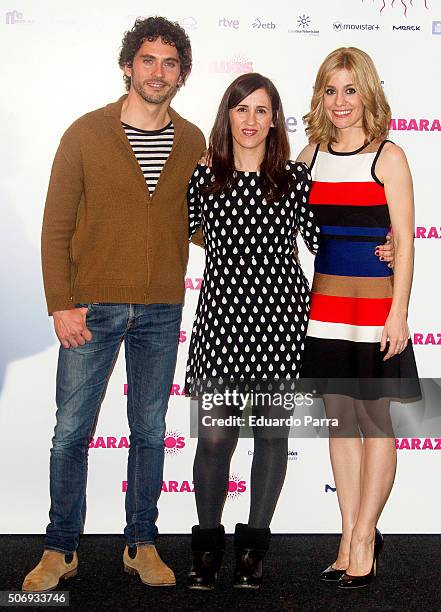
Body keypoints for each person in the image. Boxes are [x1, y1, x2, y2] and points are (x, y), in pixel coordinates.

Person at [22, 17, 205, 592]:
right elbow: (55, 228)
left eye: (170, 63)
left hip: (160, 308)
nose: (158, 72)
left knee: (149, 430)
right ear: (129, 65)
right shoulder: (85, 133)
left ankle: (140, 542)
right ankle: (60, 549)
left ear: (181, 74)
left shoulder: (195, 140)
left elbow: (204, 222)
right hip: (91, 308)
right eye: (148, 60)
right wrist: (61, 303)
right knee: (71, 433)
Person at [184, 72, 321, 591]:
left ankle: (253, 550)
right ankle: (207, 547)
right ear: (228, 115)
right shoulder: (204, 177)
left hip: (280, 322)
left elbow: (321, 237)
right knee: (215, 439)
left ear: (274, 119)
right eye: (241, 109)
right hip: (221, 318)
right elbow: (184, 233)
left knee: (270, 435)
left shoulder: (293, 178)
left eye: (261, 110)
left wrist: (390, 242)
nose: (250, 119)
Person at [298, 47, 420, 589]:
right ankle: (348, 534)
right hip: (324, 309)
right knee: (340, 425)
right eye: (331, 90)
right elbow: (274, 210)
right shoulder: (310, 155)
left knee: (374, 424)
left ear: (367, 92)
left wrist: (400, 312)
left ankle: (367, 536)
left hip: (375, 311)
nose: (341, 101)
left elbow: (408, 244)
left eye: (350, 90)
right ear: (320, 97)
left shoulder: (388, 157)